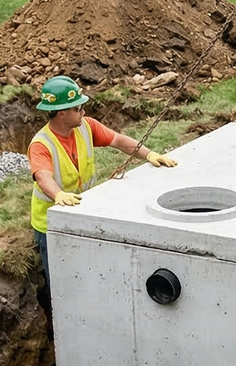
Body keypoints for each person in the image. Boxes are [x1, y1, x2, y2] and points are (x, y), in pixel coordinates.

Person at [28, 76, 177, 290]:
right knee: (63, 285)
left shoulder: (85, 127)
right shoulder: (41, 144)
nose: (83, 112)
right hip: (51, 225)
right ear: (62, 112)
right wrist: (58, 195)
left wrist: (149, 154)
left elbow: (118, 140)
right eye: (78, 108)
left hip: (84, 212)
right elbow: (43, 176)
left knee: (89, 274)